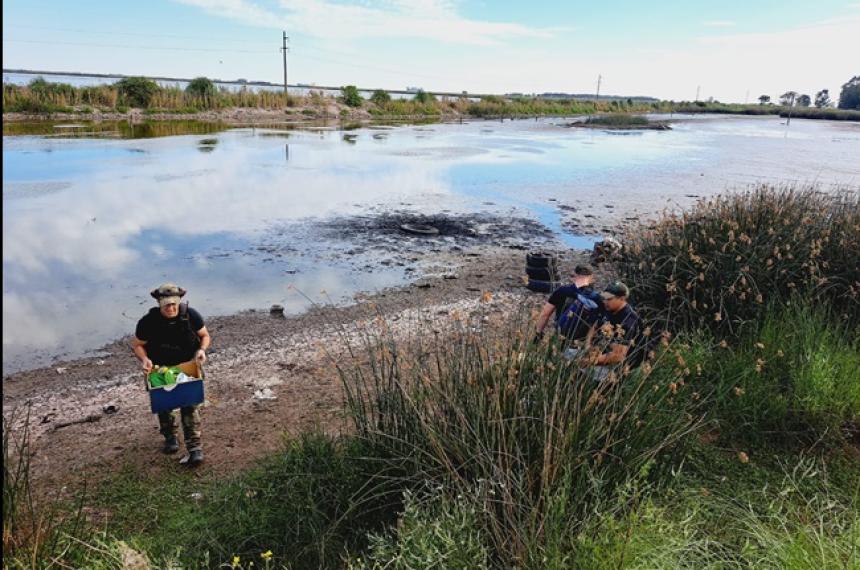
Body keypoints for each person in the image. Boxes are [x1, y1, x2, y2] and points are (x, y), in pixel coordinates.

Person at [132, 283, 211, 465]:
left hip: (188, 367)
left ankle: (195, 447)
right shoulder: (148, 322)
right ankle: (170, 437)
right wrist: (145, 360)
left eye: (174, 304)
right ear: (159, 304)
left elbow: (205, 335)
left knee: (190, 406)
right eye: (167, 305)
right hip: (160, 368)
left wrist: (202, 350)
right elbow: (137, 344)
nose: (171, 308)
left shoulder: (191, 315)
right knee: (164, 405)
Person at [575, 281, 641, 381]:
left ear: (622, 299)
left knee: (580, 374)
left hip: (617, 367)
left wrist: (590, 361)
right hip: (599, 354)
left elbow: (618, 356)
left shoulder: (628, 321)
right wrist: (588, 346)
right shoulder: (610, 308)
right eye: (604, 298)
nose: (604, 301)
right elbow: (596, 325)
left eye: (609, 299)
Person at [534, 264, 603, 343]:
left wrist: (538, 334)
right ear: (591, 278)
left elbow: (545, 314)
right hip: (582, 342)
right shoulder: (596, 297)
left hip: (560, 338)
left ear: (575, 275)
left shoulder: (561, 291)